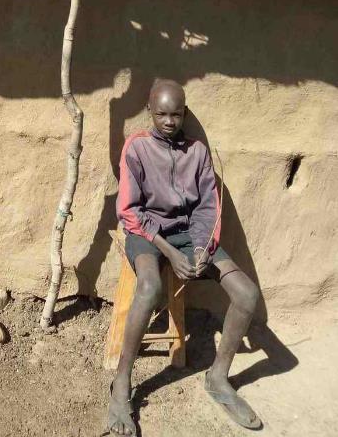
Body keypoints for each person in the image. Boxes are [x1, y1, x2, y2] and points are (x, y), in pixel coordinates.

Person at [108, 79, 261, 435]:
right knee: (148, 288)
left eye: (176, 114)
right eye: (161, 113)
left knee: (247, 293)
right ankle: (120, 384)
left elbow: (208, 206)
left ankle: (218, 378)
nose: (168, 121)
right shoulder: (137, 147)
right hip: (148, 234)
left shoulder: (197, 152)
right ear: (150, 111)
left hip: (191, 236)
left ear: (185, 113)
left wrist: (203, 249)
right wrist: (169, 252)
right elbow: (130, 211)